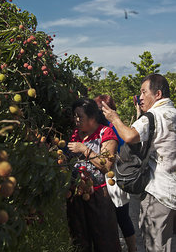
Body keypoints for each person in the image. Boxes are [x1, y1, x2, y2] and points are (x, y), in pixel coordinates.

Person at [102, 74, 176, 252]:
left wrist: (114, 119)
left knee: (156, 245)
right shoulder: (173, 113)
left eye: (144, 92)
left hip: (160, 193)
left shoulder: (154, 116)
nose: (140, 97)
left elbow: (129, 136)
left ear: (157, 94)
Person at [67, 98, 122, 252]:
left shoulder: (106, 133)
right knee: (80, 239)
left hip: (99, 195)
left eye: (80, 116)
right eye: (75, 116)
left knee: (105, 240)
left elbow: (106, 165)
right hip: (77, 194)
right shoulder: (76, 134)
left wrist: (84, 149)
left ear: (92, 117)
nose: (76, 120)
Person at [94, 94, 136, 252]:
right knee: (116, 216)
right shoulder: (102, 127)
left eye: (100, 109)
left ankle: (132, 248)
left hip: (114, 176)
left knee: (121, 216)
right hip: (107, 176)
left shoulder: (112, 128)